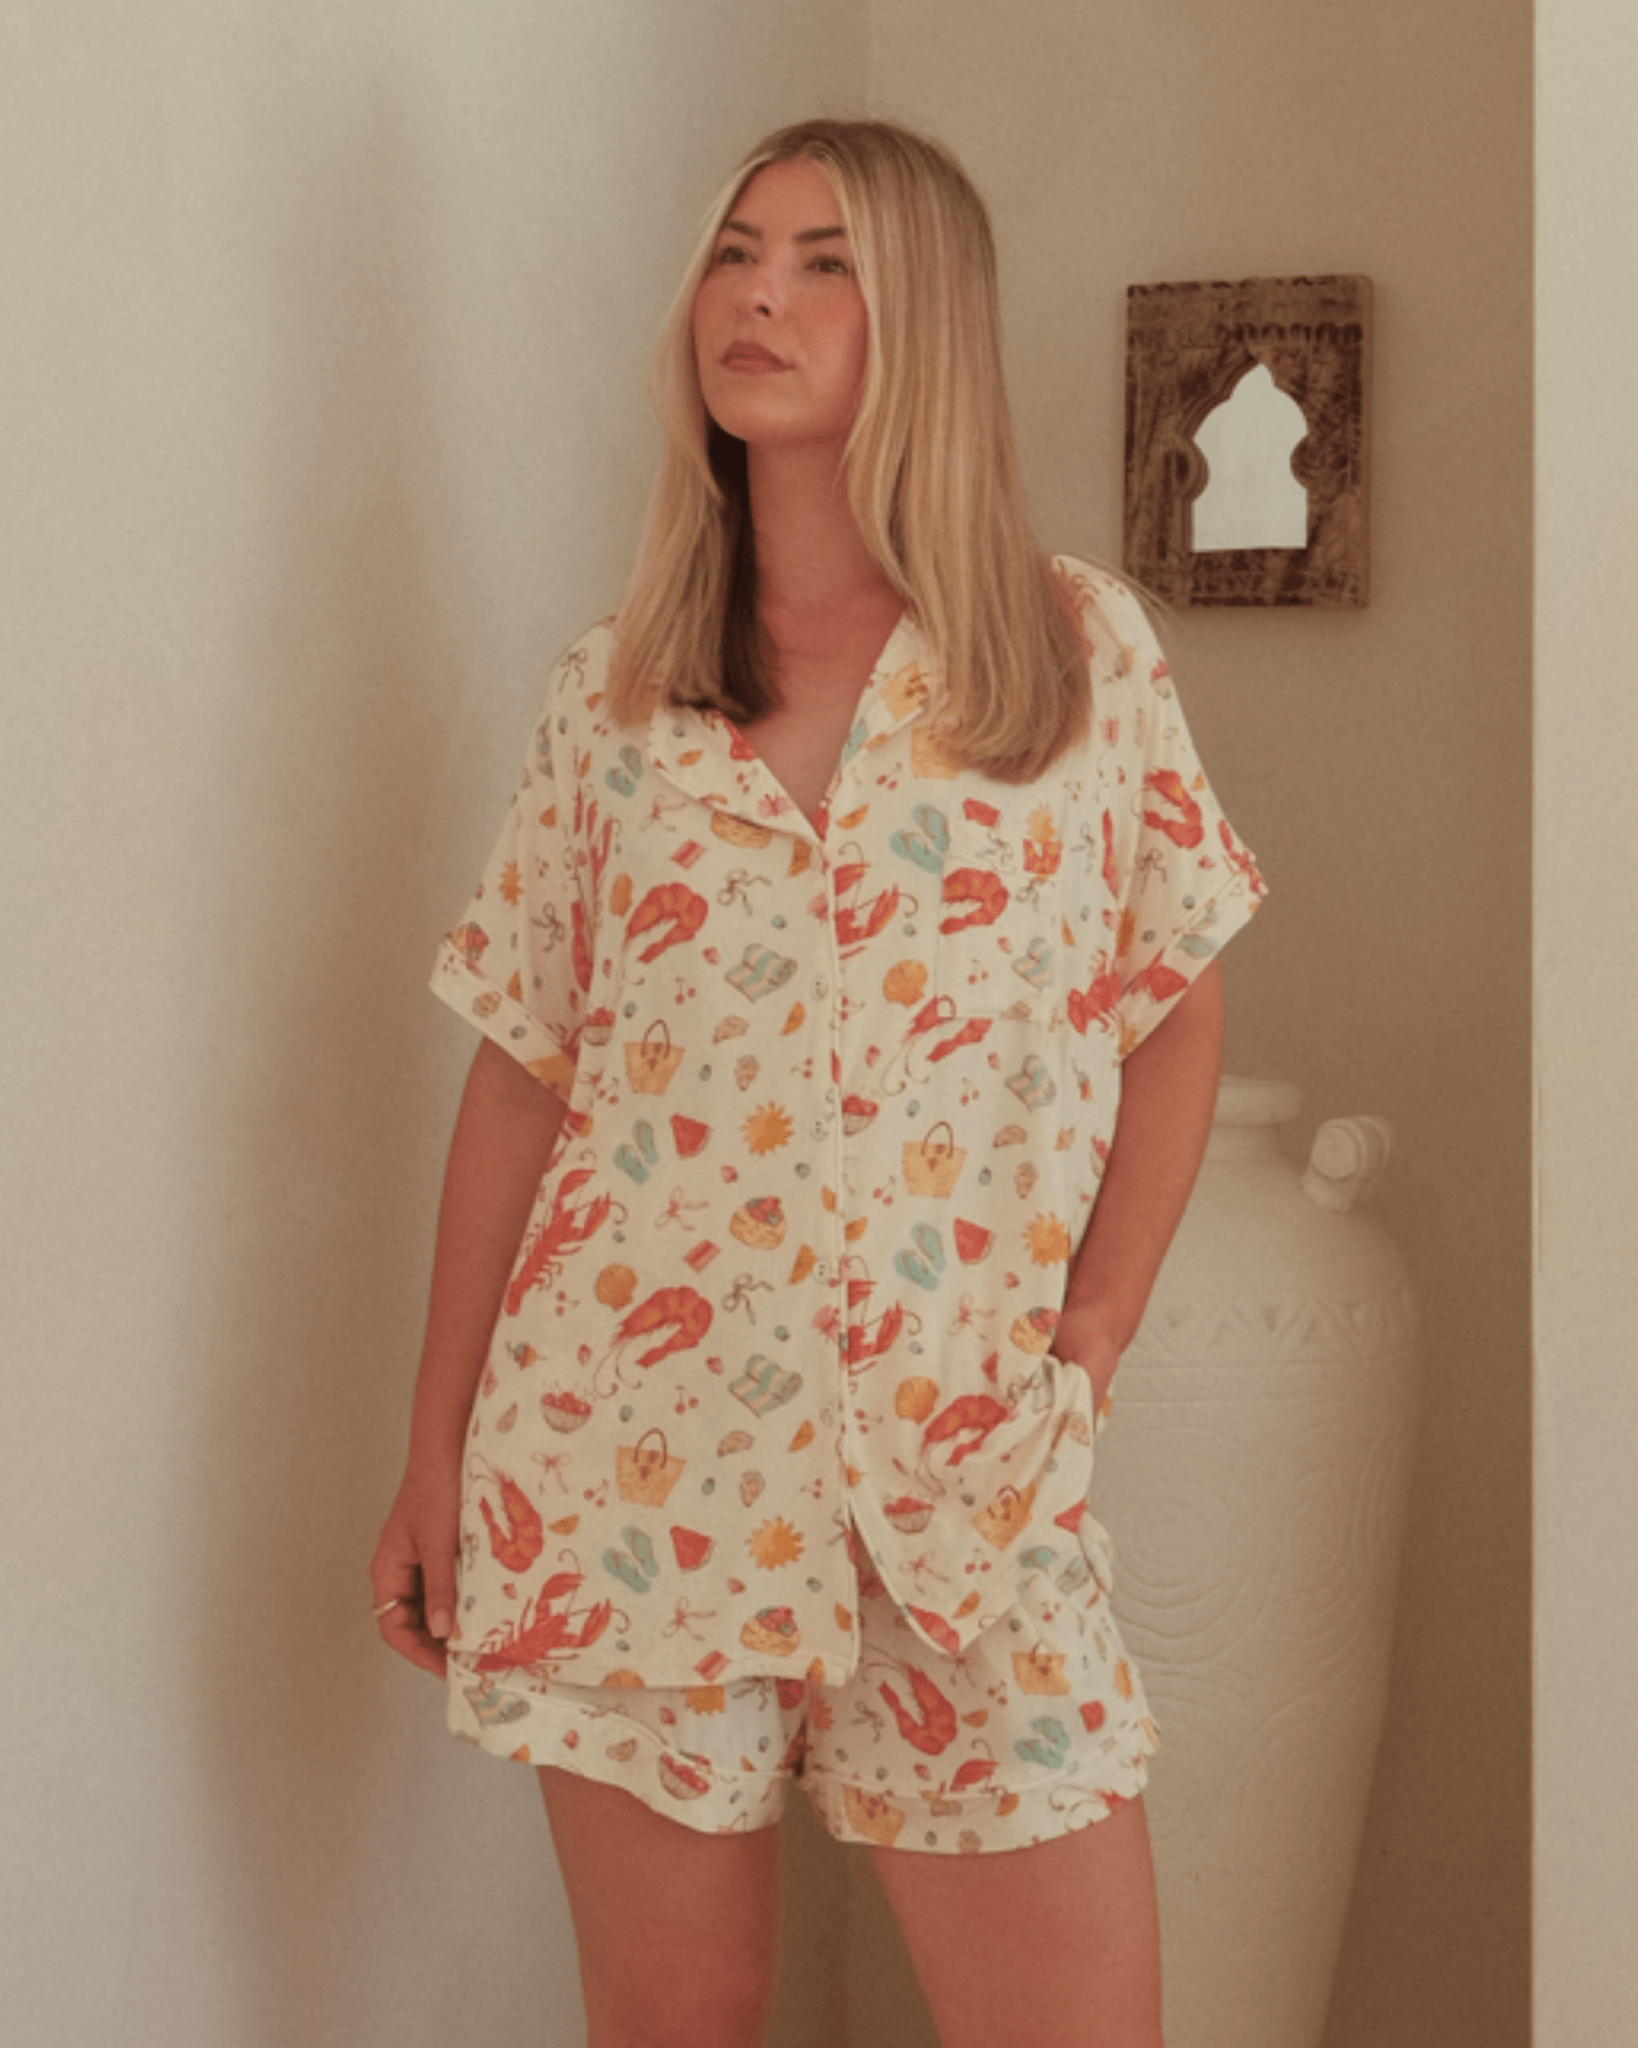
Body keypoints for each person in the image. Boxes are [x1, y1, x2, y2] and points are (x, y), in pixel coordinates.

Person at [371, 118, 1264, 2048]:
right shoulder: (612, 700)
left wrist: (1085, 1340)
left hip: (967, 1481)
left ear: (923, 319)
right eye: (736, 252)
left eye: (825, 260)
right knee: (671, 2023)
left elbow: (1172, 1000)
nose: (758, 295)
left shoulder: (1064, 654)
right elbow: (525, 1079)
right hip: (625, 1461)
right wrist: (436, 1452)